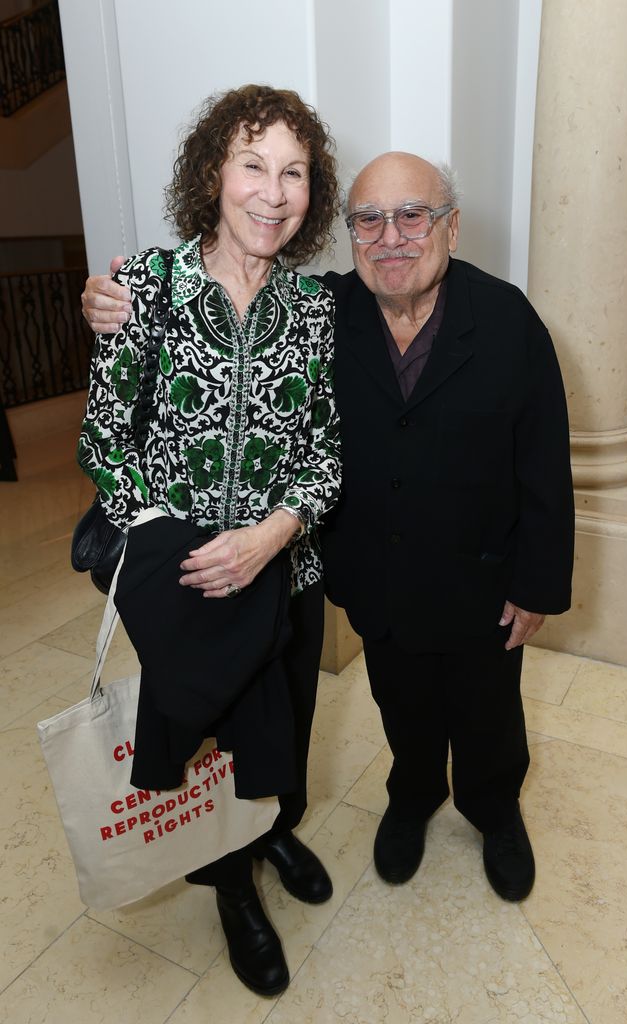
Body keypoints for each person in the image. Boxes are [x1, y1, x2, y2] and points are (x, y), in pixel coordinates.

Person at [82, 149, 574, 910]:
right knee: (401, 702)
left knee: (487, 711)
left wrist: (536, 583)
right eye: (368, 221)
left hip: (481, 577)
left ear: (451, 226)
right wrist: (106, 298)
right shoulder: (324, 311)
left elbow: (543, 464)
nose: (391, 237)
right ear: (347, 234)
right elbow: (226, 297)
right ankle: (411, 795)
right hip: (379, 579)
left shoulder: (507, 319)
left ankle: (491, 806)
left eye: (413, 215)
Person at [77, 84, 341, 998]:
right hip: (183, 584)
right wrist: (186, 553)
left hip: (284, 572)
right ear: (212, 175)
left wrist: (268, 538)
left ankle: (276, 833)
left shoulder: (313, 311)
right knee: (211, 749)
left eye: (294, 172)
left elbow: (324, 456)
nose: (272, 192)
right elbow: (104, 441)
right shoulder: (144, 287)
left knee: (287, 726)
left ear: (314, 193)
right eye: (252, 165)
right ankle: (232, 886)